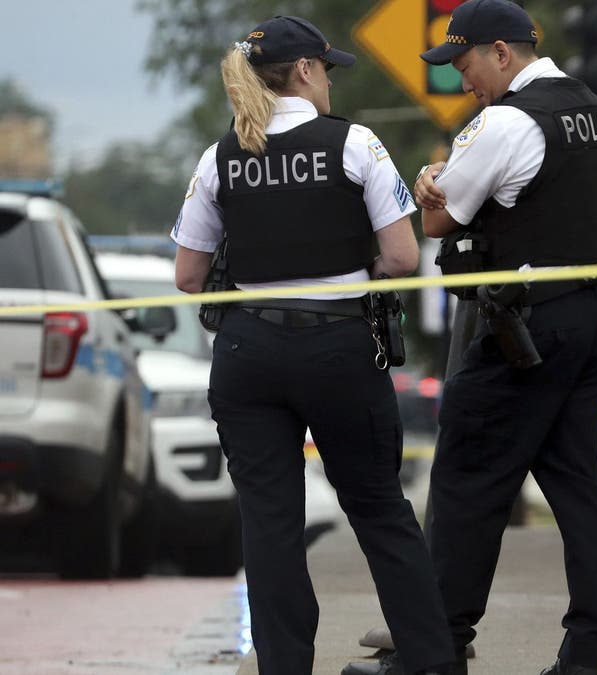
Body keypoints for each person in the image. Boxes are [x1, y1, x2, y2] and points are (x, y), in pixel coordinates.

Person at [170, 16, 455, 675]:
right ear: (304, 71)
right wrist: (362, 271)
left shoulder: (220, 156)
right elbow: (404, 255)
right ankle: (431, 662)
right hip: (337, 350)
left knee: (270, 523)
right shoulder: (355, 143)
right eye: (326, 69)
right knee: (380, 509)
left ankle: (285, 665)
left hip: (247, 355)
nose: (329, 82)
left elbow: (187, 276)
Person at [358, 1, 597, 674]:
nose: (461, 81)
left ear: (502, 53)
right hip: (594, 317)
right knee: (577, 488)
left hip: (526, 324)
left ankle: (436, 643)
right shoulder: (590, 105)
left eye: (465, 63)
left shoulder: (507, 120)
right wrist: (443, 189)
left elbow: (441, 221)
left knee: (466, 476)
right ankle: (587, 651)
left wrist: (428, 184)